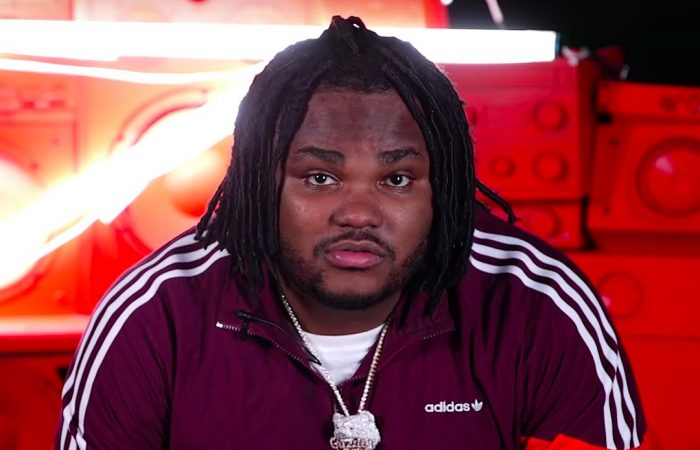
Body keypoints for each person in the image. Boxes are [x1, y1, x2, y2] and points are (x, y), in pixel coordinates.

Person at [55, 16, 647, 450]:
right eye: (320, 177)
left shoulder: (532, 300)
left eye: (396, 179)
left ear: (442, 187)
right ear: (261, 181)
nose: (359, 214)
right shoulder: (156, 313)